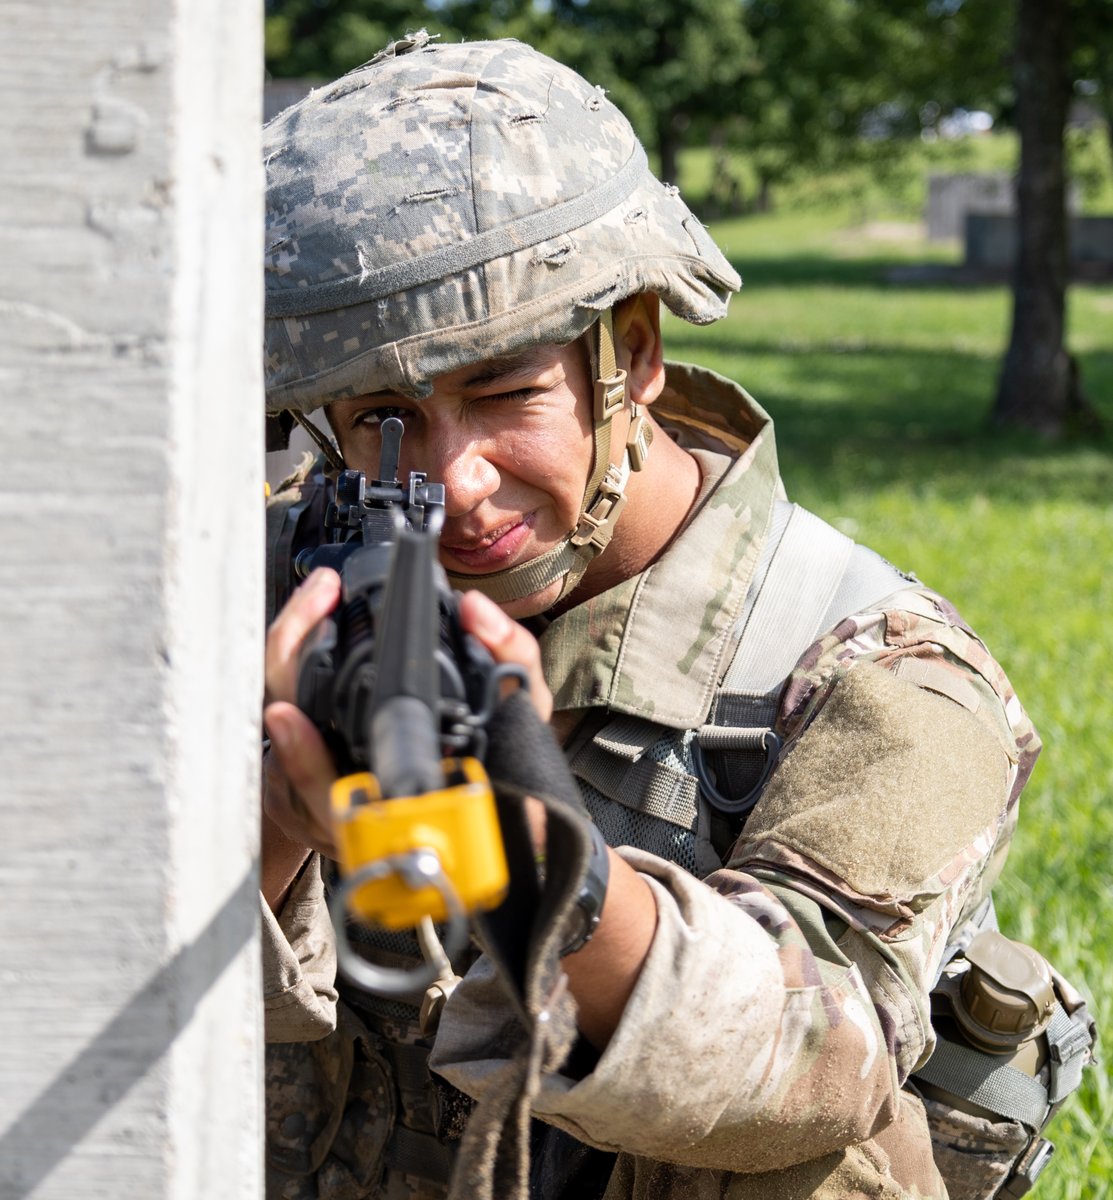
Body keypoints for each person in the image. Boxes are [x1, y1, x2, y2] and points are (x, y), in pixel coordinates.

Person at [257, 33, 1091, 1200]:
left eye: (506, 394)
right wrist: (268, 822)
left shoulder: (882, 683)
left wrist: (532, 875)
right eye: (382, 418)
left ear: (633, 354)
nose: (455, 484)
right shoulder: (277, 582)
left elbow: (821, 1061)